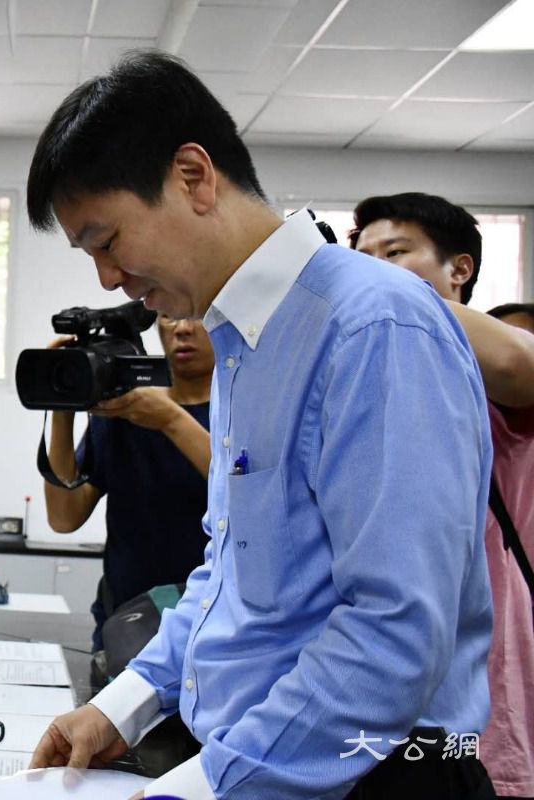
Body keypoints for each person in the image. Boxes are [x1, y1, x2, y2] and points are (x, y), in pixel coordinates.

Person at [25, 51, 496, 799]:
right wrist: (122, 706)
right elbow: (232, 583)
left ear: (192, 176)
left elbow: (394, 633)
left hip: (372, 777)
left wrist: (205, 784)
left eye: (107, 242)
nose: (107, 280)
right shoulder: (246, 343)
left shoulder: (373, 327)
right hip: (270, 765)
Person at [351, 193, 534, 800]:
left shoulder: (485, 367)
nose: (373, 267)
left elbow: (518, 359)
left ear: (460, 269)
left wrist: (383, 294)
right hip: (386, 668)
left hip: (479, 662)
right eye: (361, 255)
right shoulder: (375, 369)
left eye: (395, 253)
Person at [44, 313, 213, 654]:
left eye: (197, 316)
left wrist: (168, 418)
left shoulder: (242, 410)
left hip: (212, 636)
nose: (182, 328)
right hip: (125, 631)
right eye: (169, 316)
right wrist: (63, 405)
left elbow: (247, 494)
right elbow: (64, 517)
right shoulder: (129, 414)